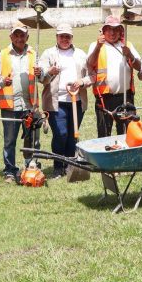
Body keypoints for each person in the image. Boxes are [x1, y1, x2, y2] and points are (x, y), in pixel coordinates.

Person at [0, 22, 43, 183]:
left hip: (30, 105)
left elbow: (43, 76)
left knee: (32, 139)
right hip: (10, 106)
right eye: (16, 35)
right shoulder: (4, 54)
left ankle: (30, 167)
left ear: (27, 37)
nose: (19, 38)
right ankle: (10, 171)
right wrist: (2, 81)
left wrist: (40, 73)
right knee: (9, 140)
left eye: (22, 35)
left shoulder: (34, 54)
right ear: (11, 36)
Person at [38, 23, 89, 178]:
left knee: (73, 135)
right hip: (55, 102)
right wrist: (49, 72)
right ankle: (58, 165)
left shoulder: (80, 54)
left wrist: (82, 82)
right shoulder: (48, 54)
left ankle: (70, 165)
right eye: (62, 36)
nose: (65, 39)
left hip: (76, 101)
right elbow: (41, 78)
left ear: (72, 37)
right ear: (57, 37)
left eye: (68, 36)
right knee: (61, 133)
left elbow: (91, 76)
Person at [86, 16, 140, 137]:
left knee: (128, 133)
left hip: (125, 97)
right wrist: (98, 47)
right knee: (104, 134)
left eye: (115, 29)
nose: (112, 33)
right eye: (109, 29)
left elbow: (139, 67)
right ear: (103, 31)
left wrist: (130, 56)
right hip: (104, 97)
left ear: (120, 31)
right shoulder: (95, 45)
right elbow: (90, 63)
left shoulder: (127, 44)